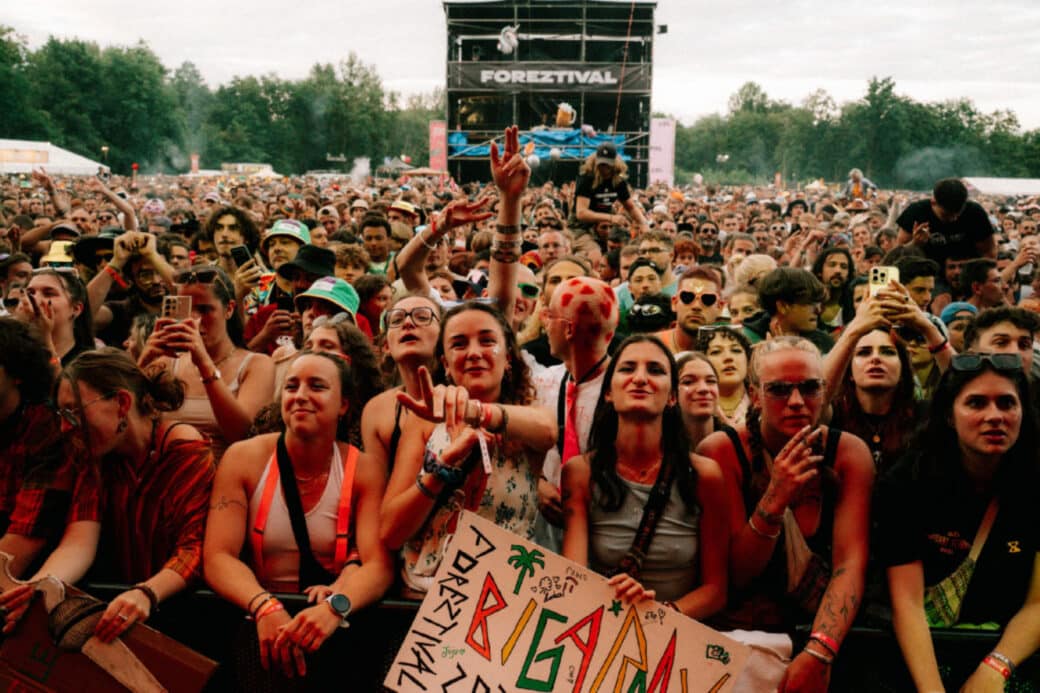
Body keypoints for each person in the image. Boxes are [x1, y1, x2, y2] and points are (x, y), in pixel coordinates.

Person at [0, 349, 215, 643]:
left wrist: (147, 592)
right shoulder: (94, 455)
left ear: (122, 403)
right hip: (123, 613)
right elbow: (79, 541)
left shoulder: (184, 451)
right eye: (62, 415)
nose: (65, 427)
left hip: (188, 615)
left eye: (73, 412)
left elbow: (193, 549)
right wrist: (38, 590)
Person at [697, 337, 874, 691]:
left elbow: (849, 565)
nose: (796, 402)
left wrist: (820, 651)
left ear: (825, 391)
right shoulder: (722, 452)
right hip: (743, 637)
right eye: (779, 390)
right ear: (755, 394)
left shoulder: (848, 453)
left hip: (819, 633)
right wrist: (775, 500)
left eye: (809, 388)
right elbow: (737, 575)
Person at [204, 352, 393, 679]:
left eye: (317, 386)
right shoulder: (243, 458)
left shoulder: (365, 469)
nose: (301, 395)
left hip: (336, 633)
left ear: (344, 405)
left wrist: (335, 608)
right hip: (260, 628)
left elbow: (379, 565)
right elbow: (218, 556)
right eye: (291, 386)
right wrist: (265, 606)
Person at [879, 353, 1040, 690]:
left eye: (1007, 403)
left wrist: (995, 669)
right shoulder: (907, 483)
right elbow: (907, 604)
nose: (994, 416)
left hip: (1007, 650)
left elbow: (1038, 603)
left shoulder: (1035, 481)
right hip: (920, 652)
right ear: (949, 416)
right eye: (976, 403)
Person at [380, 302, 556, 594]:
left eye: (487, 341)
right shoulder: (424, 423)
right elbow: (390, 532)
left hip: (505, 601)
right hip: (425, 599)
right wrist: (443, 468)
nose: (474, 352)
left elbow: (547, 431)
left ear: (509, 358)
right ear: (446, 364)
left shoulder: (529, 417)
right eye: (459, 344)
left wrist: (476, 412)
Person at [561, 336, 728, 618]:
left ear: (672, 396)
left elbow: (715, 590)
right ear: (608, 393)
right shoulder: (580, 473)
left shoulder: (704, 475)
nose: (640, 378)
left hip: (680, 633)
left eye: (655, 370)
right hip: (605, 622)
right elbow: (572, 576)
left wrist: (658, 615)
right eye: (627, 369)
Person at [139, 265, 275, 461]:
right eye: (185, 308)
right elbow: (125, 423)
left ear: (229, 309)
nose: (193, 319)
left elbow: (244, 435)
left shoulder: (256, 365)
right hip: (171, 482)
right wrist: (143, 361)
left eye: (204, 309)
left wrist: (204, 364)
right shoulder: (167, 363)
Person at [896, 178, 996, 265]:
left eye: (958, 213)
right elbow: (898, 253)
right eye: (946, 214)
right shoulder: (916, 212)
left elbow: (989, 252)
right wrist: (914, 243)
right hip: (926, 272)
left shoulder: (975, 212)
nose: (953, 219)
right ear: (933, 202)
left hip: (966, 274)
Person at [13, 267, 95, 367]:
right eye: (30, 293)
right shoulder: (13, 353)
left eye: (48, 293)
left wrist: (46, 339)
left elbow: (57, 380)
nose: (35, 299)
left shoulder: (91, 363)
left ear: (76, 309)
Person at [573, 143, 648, 235]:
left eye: (607, 164)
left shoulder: (618, 181)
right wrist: (611, 218)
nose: (604, 168)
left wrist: (644, 224)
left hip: (605, 222)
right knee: (593, 249)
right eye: (601, 164)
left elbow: (631, 207)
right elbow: (581, 213)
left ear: (614, 163)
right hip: (581, 226)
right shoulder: (587, 178)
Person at [698, 326, 752, 427]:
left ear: (748, 359)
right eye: (716, 352)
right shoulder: (694, 408)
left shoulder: (762, 404)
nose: (728, 357)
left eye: (736, 350)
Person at [675, 351, 722, 450]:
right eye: (688, 382)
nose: (703, 388)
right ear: (671, 394)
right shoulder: (658, 449)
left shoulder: (736, 442)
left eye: (711, 381)